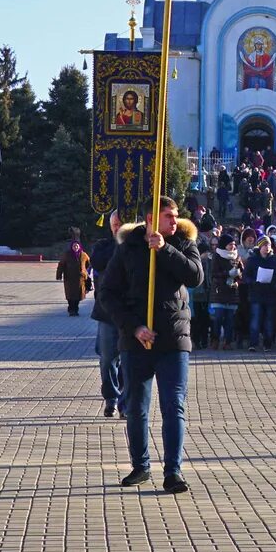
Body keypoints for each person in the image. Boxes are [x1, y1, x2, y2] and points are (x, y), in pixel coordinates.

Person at [97, 197, 204, 495]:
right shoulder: (128, 247)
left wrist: (165, 249)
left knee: (174, 406)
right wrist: (134, 327)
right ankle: (140, 466)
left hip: (174, 339)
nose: (175, 220)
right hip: (136, 342)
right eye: (168, 215)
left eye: (176, 215)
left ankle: (173, 472)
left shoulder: (183, 243)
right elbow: (108, 294)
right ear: (150, 218)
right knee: (136, 408)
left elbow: (195, 276)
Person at [89, 211, 126, 415]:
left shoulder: (136, 245)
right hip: (107, 313)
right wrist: (120, 244)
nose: (117, 227)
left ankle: (125, 401)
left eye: (121, 223)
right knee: (107, 358)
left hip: (130, 313)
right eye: (114, 224)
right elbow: (98, 262)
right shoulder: (104, 246)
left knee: (128, 359)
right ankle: (111, 397)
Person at [244, 237, 276, 351]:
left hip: (271, 294)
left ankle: (268, 344)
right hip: (256, 294)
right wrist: (253, 282)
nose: (267, 248)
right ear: (260, 246)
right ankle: (253, 343)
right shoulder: (253, 260)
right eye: (265, 245)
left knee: (269, 321)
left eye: (269, 245)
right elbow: (246, 276)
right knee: (255, 320)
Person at [206, 233, 244, 350]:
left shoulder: (236, 256)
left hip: (232, 292)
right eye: (230, 244)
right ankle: (215, 339)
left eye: (233, 244)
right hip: (219, 292)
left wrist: (238, 275)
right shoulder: (217, 256)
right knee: (217, 318)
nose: (233, 246)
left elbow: (241, 272)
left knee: (230, 320)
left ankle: (228, 342)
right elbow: (213, 274)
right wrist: (227, 274)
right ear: (224, 245)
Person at [55, 232, 92, 316]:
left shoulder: (83, 255)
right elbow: (61, 265)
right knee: (70, 295)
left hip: (80, 279)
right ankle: (71, 309)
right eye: (74, 246)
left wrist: (85, 271)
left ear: (79, 247)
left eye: (77, 246)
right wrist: (59, 275)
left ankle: (75, 309)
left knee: (78, 296)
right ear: (71, 247)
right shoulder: (67, 254)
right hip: (69, 279)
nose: (75, 247)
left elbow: (89, 263)